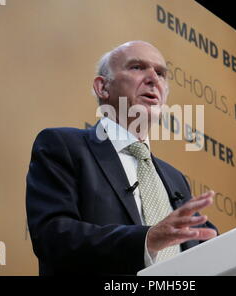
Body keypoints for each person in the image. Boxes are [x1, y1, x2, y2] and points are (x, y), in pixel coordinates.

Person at [26, 41, 218, 275]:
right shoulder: (63, 146)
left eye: (161, 73)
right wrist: (146, 240)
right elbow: (52, 236)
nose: (153, 79)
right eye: (137, 67)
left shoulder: (175, 179)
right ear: (103, 87)